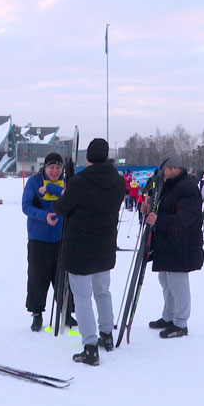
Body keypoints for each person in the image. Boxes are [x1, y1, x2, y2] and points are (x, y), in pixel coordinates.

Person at [54, 138, 127, 366]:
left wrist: (65, 191)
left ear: (88, 158)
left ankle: (90, 346)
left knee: (83, 298)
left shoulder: (80, 182)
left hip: (80, 248)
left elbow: (61, 208)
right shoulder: (118, 181)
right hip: (105, 245)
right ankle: (107, 333)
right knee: (103, 292)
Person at [143, 161, 204, 339]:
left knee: (178, 283)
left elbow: (185, 218)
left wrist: (159, 220)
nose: (164, 173)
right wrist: (150, 210)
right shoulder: (168, 185)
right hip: (167, 242)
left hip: (182, 244)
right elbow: (161, 208)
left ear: (177, 169)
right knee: (165, 280)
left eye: (167, 169)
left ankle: (180, 322)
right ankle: (169, 316)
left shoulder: (188, 187)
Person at [22, 152, 76, 332]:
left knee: (63, 277)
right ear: (45, 168)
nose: (55, 171)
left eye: (58, 167)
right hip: (39, 238)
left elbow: (72, 201)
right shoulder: (34, 182)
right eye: (51, 167)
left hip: (62, 238)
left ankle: (66, 311)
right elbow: (26, 206)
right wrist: (44, 217)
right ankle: (37, 313)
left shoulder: (68, 183)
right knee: (38, 277)